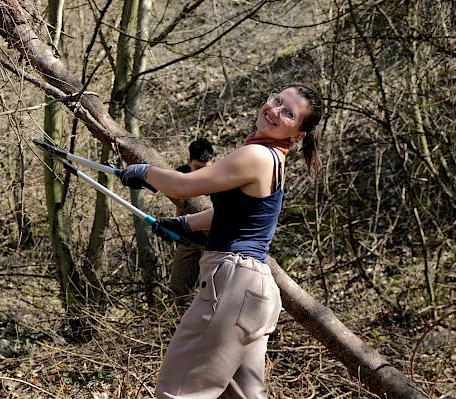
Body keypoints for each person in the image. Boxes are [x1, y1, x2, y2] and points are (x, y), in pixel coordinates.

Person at [119, 84, 322, 398]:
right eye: (277, 100)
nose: (274, 110)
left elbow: (185, 186)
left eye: (288, 113)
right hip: (255, 294)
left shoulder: (256, 155)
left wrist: (145, 171)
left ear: (297, 134)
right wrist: (184, 224)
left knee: (178, 392)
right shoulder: (274, 161)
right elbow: (234, 215)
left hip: (232, 287)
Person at [169, 138, 214, 307]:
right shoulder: (180, 175)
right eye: (197, 168)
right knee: (177, 292)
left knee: (211, 292)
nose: (201, 172)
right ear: (189, 163)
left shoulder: (224, 177)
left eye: (206, 168)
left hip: (214, 243)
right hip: (189, 240)